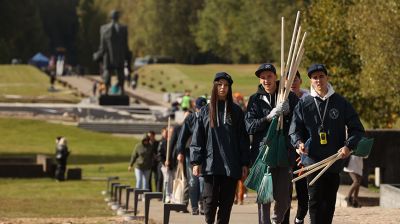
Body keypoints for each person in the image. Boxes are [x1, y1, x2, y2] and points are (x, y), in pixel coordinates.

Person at [289, 64, 365, 224]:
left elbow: (357, 129)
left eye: (321, 76)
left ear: (327, 78)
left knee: (329, 203)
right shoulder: (304, 103)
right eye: (314, 77)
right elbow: (294, 130)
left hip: (334, 161)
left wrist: (348, 146)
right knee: (315, 201)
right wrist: (299, 143)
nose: (318, 80)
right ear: (310, 80)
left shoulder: (340, 102)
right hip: (312, 162)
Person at [190, 72, 250, 224]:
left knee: (226, 206)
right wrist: (196, 161)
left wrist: (244, 163)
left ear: (229, 88)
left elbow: (243, 139)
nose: (223, 88)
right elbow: (198, 138)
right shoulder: (205, 111)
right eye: (219, 85)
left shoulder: (236, 112)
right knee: (209, 203)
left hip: (231, 166)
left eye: (226, 85)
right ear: (215, 87)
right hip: (211, 165)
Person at [245, 63, 299, 224]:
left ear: (275, 77)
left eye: (269, 76)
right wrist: (268, 117)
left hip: (283, 152)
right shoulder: (255, 100)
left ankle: (276, 221)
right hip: (262, 153)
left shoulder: (289, 96)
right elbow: (250, 126)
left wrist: (289, 113)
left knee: (283, 198)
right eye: (263, 77)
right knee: (264, 198)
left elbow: (299, 124)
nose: (266, 80)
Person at [283, 71, 309, 224]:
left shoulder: (308, 101)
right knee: (285, 193)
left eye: (295, 79)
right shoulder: (281, 101)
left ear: (300, 81)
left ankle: (299, 219)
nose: (292, 83)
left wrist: (304, 153)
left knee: (303, 192)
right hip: (286, 155)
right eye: (289, 80)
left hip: (303, 154)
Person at [176, 97, 207, 215]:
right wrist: (180, 151)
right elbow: (182, 136)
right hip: (191, 154)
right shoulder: (190, 118)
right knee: (193, 181)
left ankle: (203, 205)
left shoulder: (210, 117)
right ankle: (194, 206)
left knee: (203, 181)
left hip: (206, 154)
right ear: (196, 108)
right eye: (200, 109)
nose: (201, 111)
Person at [93, 9, 131, 95]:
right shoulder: (123, 29)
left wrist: (97, 55)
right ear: (118, 17)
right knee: (120, 71)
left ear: (111, 17)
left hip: (107, 56)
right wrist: (128, 57)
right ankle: (121, 90)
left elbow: (102, 46)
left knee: (107, 71)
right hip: (120, 56)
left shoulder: (104, 29)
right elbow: (125, 45)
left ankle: (106, 91)